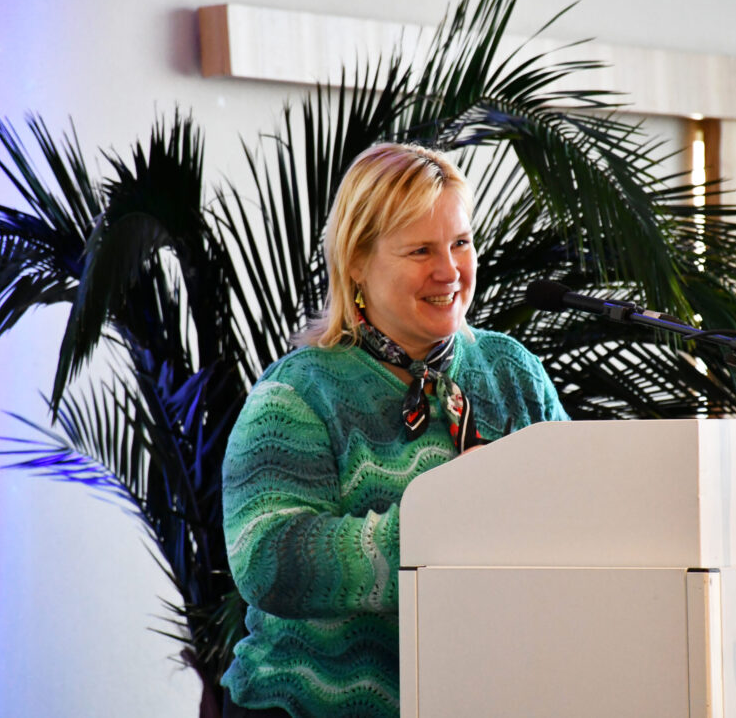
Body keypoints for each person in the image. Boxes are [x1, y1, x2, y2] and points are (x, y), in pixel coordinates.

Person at [220, 142, 569, 717]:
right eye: (420, 250)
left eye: (461, 243)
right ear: (356, 261)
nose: (449, 270)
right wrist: (446, 525)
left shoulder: (512, 371)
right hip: (307, 706)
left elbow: (577, 517)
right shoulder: (299, 392)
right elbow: (266, 560)